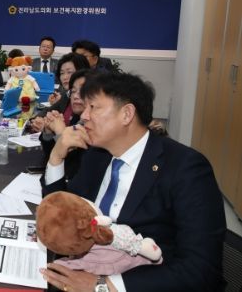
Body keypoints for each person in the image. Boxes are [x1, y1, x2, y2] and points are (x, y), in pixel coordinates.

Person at [39, 72, 225, 292]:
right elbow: (62, 216)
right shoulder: (96, 155)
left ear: (127, 114)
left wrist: (104, 286)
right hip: (82, 267)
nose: (84, 116)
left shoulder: (186, 168)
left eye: (93, 107)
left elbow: (201, 269)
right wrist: (56, 157)